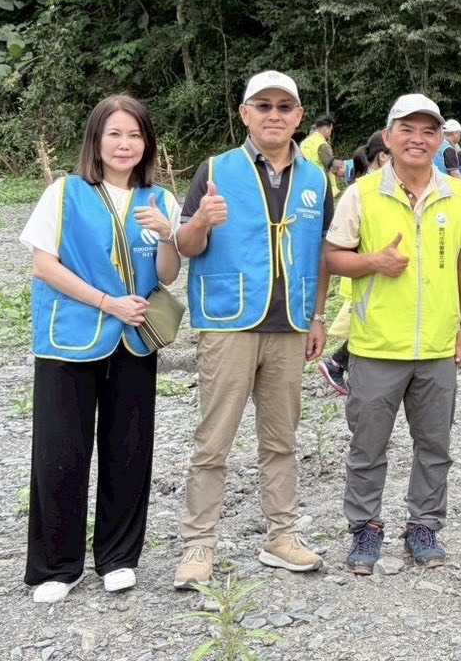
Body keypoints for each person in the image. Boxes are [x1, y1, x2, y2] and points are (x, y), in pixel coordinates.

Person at [173, 71, 333, 589]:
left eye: (285, 106)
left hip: (289, 323)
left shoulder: (315, 178)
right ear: (245, 114)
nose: (274, 114)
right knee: (213, 439)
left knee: (281, 438)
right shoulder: (215, 170)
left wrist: (318, 315)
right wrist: (201, 221)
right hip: (229, 322)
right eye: (262, 105)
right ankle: (199, 545)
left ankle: (281, 536)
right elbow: (184, 247)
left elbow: (323, 254)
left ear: (299, 118)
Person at [20, 95, 182, 602]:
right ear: (96, 140)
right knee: (60, 449)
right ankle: (55, 566)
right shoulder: (64, 193)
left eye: (135, 135)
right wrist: (107, 302)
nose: (125, 144)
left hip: (134, 340)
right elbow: (44, 265)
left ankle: (117, 556)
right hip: (69, 337)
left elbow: (169, 276)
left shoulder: (160, 201)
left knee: (129, 447)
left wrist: (167, 237)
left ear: (146, 143)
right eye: (115, 133)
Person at [325, 93, 461, 574]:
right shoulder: (363, 192)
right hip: (376, 345)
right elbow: (333, 257)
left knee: (435, 445)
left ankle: (424, 526)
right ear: (389, 138)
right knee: (367, 445)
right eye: (408, 130)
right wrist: (374, 262)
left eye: (429, 131)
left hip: (438, 345)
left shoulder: (455, 194)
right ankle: (364, 529)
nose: (418, 139)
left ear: (441, 140)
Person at [320, 133, 391, 396]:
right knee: (367, 326)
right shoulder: (366, 190)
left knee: (368, 324)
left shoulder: (374, 185)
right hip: (365, 274)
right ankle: (337, 363)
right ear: (384, 156)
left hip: (369, 273)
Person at [300, 115, 338, 194]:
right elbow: (330, 165)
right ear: (325, 129)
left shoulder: (303, 143)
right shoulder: (322, 144)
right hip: (323, 184)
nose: (331, 132)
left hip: (308, 183)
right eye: (330, 129)